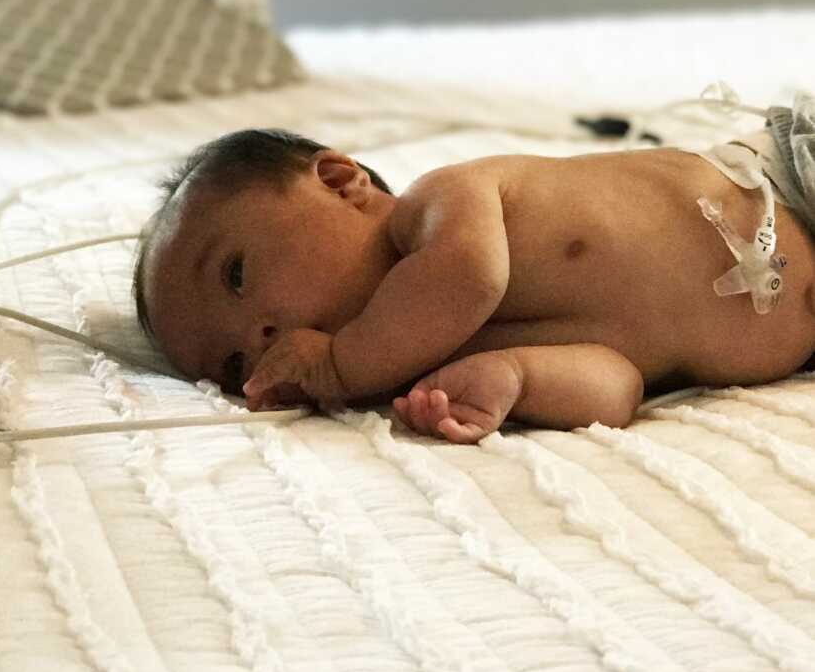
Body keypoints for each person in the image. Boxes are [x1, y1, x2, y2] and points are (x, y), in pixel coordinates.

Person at [132, 114, 815, 444]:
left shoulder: (446, 203)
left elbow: (471, 277)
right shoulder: (441, 357)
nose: (260, 337)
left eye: (238, 274)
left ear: (342, 183)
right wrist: (517, 378)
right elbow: (616, 385)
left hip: (787, 188)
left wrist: (342, 365)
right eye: (233, 362)